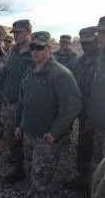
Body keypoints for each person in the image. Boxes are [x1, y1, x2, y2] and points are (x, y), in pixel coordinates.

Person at [15, 31, 81, 197]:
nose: (34, 51)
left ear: (49, 49)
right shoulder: (30, 70)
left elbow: (72, 105)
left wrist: (55, 132)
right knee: (32, 169)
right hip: (29, 132)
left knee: (43, 177)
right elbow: (23, 101)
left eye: (39, 48)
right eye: (32, 48)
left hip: (46, 137)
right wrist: (19, 124)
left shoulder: (60, 74)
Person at [62, 27, 99, 194]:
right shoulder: (81, 61)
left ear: (96, 41)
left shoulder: (104, 60)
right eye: (83, 43)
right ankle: (82, 177)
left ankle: (97, 184)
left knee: (99, 152)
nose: (85, 46)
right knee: (83, 146)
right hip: (84, 115)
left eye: (89, 43)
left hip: (101, 117)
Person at [1, 19, 33, 183]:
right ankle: (19, 166)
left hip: (27, 104)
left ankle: (31, 171)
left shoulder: (35, 51)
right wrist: (3, 94)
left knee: (28, 139)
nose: (16, 36)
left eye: (19, 32)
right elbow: (6, 74)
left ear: (29, 32)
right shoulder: (12, 51)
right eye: (15, 33)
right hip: (9, 102)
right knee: (11, 136)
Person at [86, 14, 105, 177]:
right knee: (97, 166)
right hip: (100, 123)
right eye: (98, 32)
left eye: (104, 32)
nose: (99, 37)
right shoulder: (104, 55)